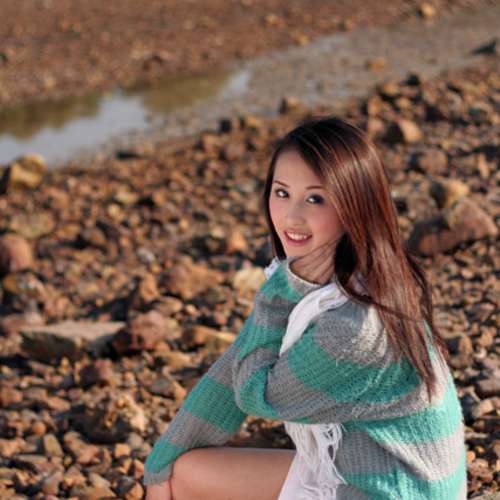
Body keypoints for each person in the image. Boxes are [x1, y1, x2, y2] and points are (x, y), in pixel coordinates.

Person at [144, 116, 466, 499]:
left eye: (315, 199)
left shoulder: (356, 325)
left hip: (388, 491)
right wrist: (158, 467)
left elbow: (257, 393)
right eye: (282, 193)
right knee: (181, 474)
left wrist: (277, 297)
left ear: (354, 206)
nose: (292, 216)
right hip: (358, 472)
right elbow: (234, 368)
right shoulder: (347, 278)